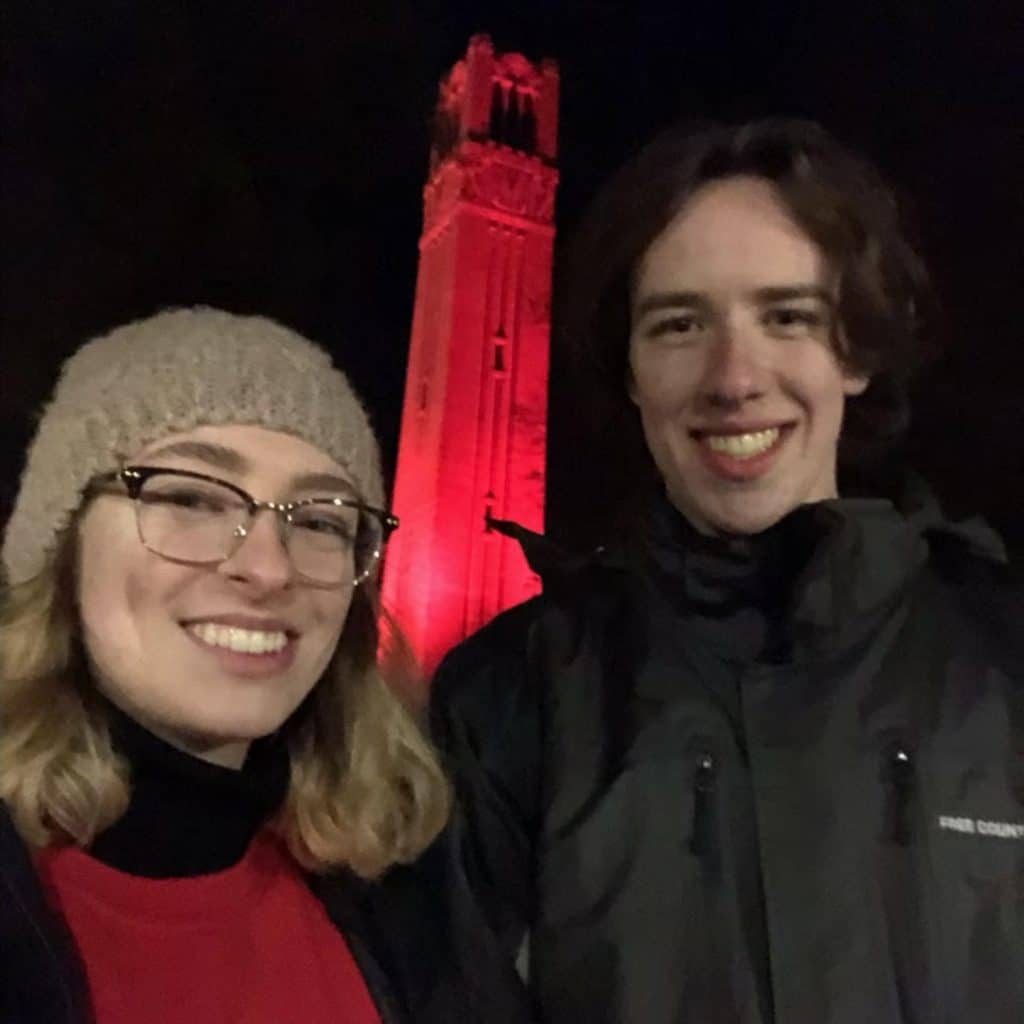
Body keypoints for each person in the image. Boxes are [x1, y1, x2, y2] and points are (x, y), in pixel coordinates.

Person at [431, 119, 1023, 1023]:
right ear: (629, 370)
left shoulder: (1001, 653)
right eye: (679, 325)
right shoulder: (512, 699)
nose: (733, 377)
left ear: (856, 351)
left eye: (786, 317)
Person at [0, 308, 532, 1024]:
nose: (267, 566)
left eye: (318, 520)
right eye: (189, 497)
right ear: (58, 548)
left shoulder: (406, 892)